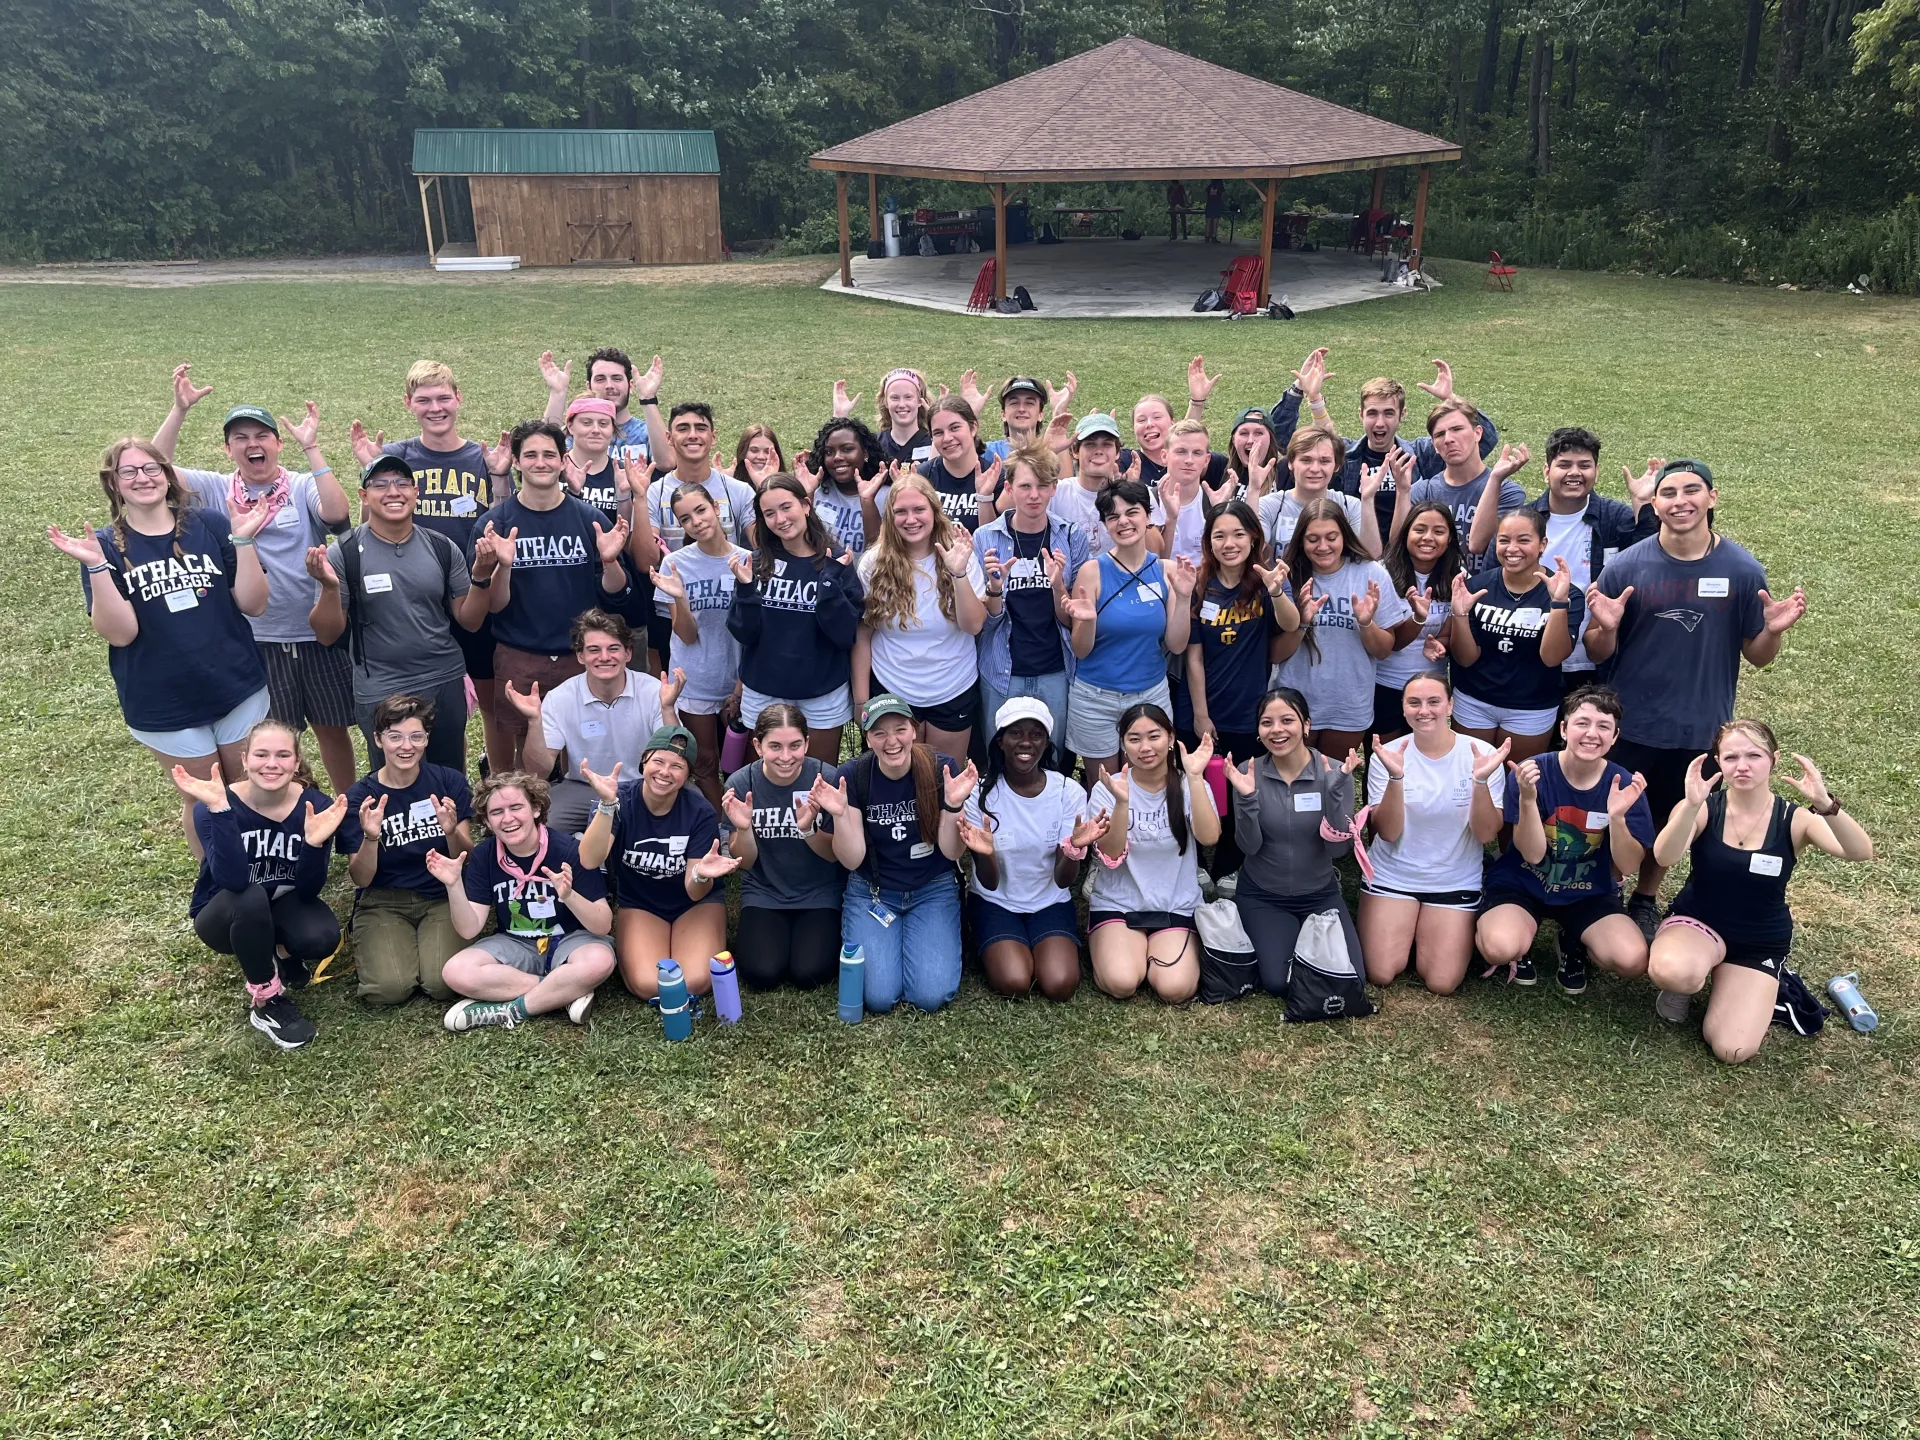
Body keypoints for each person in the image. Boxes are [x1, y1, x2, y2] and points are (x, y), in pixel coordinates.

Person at [1585, 459, 1808, 942]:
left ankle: (1646, 898)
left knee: (1672, 820)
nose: (1679, 501)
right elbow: (1598, 650)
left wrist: (1771, 632)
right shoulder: (1628, 564)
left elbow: (1759, 656)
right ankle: (1603, 893)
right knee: (1618, 813)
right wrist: (1603, 627)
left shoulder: (1742, 570)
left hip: (1699, 726)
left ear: (1712, 498)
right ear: (1655, 504)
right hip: (1632, 723)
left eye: (1692, 491)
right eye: (1668, 493)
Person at [50, 437, 271, 844]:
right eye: (128, 471)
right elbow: (121, 633)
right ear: (114, 484)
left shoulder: (211, 524)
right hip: (163, 703)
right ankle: (221, 890)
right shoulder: (101, 547)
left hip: (237, 685)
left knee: (249, 789)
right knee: (204, 800)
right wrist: (98, 567)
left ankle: (266, 876)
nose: (142, 478)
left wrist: (244, 541)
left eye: (151, 468)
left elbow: (254, 604)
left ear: (168, 477)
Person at [150, 369, 358, 794]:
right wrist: (179, 410)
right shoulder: (214, 489)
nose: (252, 444)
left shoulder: (301, 485)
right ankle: (290, 808)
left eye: (261, 435)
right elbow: (156, 467)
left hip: (316, 631)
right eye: (240, 438)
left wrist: (313, 448)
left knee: (332, 728)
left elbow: (337, 514)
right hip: (254, 637)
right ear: (229, 449)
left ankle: (347, 806)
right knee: (273, 739)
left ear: (277, 444)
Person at [1648, 724, 1873, 1060]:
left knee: (1732, 1048)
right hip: (1697, 923)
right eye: (1732, 757)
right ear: (1719, 763)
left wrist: (1825, 804)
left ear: (1773, 760)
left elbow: (1859, 852)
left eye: (1754, 755)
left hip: (1758, 940)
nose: (1742, 765)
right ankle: (1687, 985)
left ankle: (1738, 985)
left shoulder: (1795, 819)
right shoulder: (1705, 806)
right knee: (1675, 972)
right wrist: (1690, 806)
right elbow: (1664, 856)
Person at [349, 359, 512, 772]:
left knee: (489, 700)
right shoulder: (397, 458)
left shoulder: (481, 457)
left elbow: (500, 520)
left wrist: (500, 478)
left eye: (443, 397)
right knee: (417, 702)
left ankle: (493, 778)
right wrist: (368, 469)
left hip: (471, 589)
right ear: (409, 404)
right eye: (424, 400)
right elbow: (370, 528)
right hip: (414, 594)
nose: (435, 408)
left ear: (459, 399)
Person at [467, 419, 634, 771]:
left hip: (580, 657)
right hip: (520, 655)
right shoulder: (493, 525)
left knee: (586, 752)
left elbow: (616, 595)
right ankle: (529, 821)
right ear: (516, 462)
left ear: (563, 461)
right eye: (530, 455)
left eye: (549, 454)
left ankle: (579, 821)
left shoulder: (590, 518)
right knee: (528, 759)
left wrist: (610, 560)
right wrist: (505, 567)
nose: (540, 462)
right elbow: (494, 606)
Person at [307, 454, 490, 770]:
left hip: (443, 678)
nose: (393, 491)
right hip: (381, 684)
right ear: (364, 495)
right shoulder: (345, 553)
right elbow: (326, 634)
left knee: (448, 773)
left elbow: (470, 620)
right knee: (393, 779)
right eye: (380, 484)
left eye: (402, 483)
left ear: (415, 492)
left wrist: (483, 576)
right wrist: (330, 587)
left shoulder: (441, 547)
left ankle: (452, 820)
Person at [175, 719, 349, 1050]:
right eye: (261, 754)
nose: (272, 764)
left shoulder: (316, 805)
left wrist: (313, 845)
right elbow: (233, 881)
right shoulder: (214, 803)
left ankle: (279, 952)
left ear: (297, 762)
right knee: (250, 897)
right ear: (244, 760)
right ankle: (266, 1002)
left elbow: (309, 890)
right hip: (225, 912)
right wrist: (221, 812)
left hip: (282, 902)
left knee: (321, 937)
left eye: (283, 755)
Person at [1474, 685, 1655, 993]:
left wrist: (1618, 818)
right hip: (1523, 883)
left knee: (1632, 960)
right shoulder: (1533, 771)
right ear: (1564, 728)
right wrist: (1529, 801)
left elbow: (1628, 864)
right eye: (1582, 723)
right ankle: (1522, 940)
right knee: (1499, 947)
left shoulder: (1623, 783)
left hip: (1587, 891)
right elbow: (1531, 854)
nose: (1591, 734)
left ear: (1614, 737)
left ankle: (1572, 938)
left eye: (1603, 726)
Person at [818, 695, 974, 1014]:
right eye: (879, 733)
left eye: (900, 729)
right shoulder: (853, 776)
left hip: (932, 888)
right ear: (867, 739)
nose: (892, 741)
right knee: (877, 996)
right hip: (872, 892)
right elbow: (851, 859)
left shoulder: (940, 769)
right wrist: (841, 814)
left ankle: (920, 936)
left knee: (930, 995)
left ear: (913, 731)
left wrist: (953, 806)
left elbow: (951, 851)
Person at [433, 771, 616, 1032]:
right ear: (487, 820)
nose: (508, 819)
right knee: (456, 971)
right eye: (496, 812)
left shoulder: (569, 850)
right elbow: (469, 929)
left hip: (572, 939)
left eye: (516, 807)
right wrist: (453, 885)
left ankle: (510, 1010)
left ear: (537, 809)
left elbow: (603, 925)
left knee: (599, 961)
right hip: (517, 942)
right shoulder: (485, 855)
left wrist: (569, 896)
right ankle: (563, 991)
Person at [1358, 676, 1508, 995]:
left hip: (1453, 880)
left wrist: (1480, 782)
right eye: (1414, 703)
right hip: (1393, 875)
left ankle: (1424, 930)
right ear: (1403, 709)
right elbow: (1388, 832)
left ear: (1450, 706)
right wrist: (1396, 777)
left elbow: (1485, 835)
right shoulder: (1388, 755)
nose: (1424, 710)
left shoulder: (1482, 754)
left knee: (1441, 982)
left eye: (1434, 702)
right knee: (1381, 972)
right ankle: (1407, 927)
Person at [1178, 499, 1299, 880]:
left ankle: (1230, 866)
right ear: (1208, 541)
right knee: (1195, 787)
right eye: (1219, 535)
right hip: (1200, 708)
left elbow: (1291, 624)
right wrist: (1200, 714)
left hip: (1249, 712)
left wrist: (1276, 591)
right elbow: (1192, 658)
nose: (1229, 543)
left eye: (1238, 534)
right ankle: (1192, 862)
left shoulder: (1267, 581)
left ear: (1253, 538)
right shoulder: (1200, 585)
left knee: (1239, 791)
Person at [1221, 687, 1364, 998]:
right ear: (1258, 730)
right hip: (1263, 896)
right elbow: (1249, 846)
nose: (1277, 730)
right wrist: (1246, 799)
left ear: (1307, 725)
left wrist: (1335, 792)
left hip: (1319, 894)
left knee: (1352, 975)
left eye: (1287, 720)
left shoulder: (1336, 770)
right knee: (1278, 981)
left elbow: (1337, 850)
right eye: (1267, 722)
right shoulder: (1248, 771)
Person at [578, 726, 738, 1000]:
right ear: (644, 763)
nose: (665, 772)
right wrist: (606, 805)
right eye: (658, 761)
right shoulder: (618, 799)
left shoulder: (700, 811)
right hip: (641, 902)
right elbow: (590, 860)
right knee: (648, 984)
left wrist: (701, 874)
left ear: (687, 775)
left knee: (695, 980)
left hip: (695, 903)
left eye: (677, 766)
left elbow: (694, 890)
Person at [961, 699, 1100, 1001]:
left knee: (1059, 983)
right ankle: (1007, 943)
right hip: (995, 902)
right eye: (1016, 733)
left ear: (1047, 742)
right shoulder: (980, 793)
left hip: (1049, 902)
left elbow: (1064, 880)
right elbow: (990, 882)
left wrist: (1074, 850)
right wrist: (984, 853)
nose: (1026, 742)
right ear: (1000, 741)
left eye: (1036, 735)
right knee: (1015, 981)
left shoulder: (1068, 792)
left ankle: (1037, 943)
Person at [341, 694, 472, 1008]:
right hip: (384, 899)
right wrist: (371, 838)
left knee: (443, 983)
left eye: (416, 736)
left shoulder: (448, 781)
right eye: (394, 736)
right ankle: (382, 943)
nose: (406, 746)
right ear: (377, 739)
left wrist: (451, 831)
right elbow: (361, 878)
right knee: (389, 989)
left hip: (441, 895)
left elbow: (466, 860)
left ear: (427, 739)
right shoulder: (361, 797)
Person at [1065, 478, 1198, 788]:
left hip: (1149, 694)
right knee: (1106, 789)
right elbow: (1081, 651)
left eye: (1132, 512)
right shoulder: (1092, 571)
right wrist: (1085, 622)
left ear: (1148, 516)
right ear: (1105, 525)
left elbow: (1177, 645)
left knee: (1149, 784)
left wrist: (1184, 598)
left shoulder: (1166, 571)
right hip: (1096, 697)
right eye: (1113, 517)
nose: (1123, 522)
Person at [1280, 352, 1502, 537]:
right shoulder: (1347, 456)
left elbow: (1486, 439)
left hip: (1410, 556)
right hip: (1357, 554)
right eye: (1372, 413)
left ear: (1402, 415)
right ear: (1361, 415)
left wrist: (1451, 399)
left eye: (1388, 413)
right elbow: (1283, 440)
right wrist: (1303, 391)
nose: (1380, 422)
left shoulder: (1422, 453)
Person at [727, 476, 867, 763]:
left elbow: (845, 635)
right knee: (769, 776)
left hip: (822, 692)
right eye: (769, 513)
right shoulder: (756, 563)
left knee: (819, 775)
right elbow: (745, 634)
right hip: (764, 690)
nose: (780, 519)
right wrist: (745, 590)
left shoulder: (837, 561)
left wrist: (828, 585)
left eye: (786, 507)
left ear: (805, 505)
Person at [1086, 705, 1219, 1002]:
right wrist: (1122, 803)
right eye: (1134, 739)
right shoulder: (1107, 789)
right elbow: (1110, 851)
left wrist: (1196, 778)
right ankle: (1118, 948)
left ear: (1170, 738)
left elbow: (1209, 838)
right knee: (1121, 982)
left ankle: (1147, 952)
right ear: (1123, 744)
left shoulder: (1188, 784)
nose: (1145, 747)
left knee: (1175, 989)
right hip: (1118, 905)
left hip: (1175, 905)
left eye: (1154, 736)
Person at [511, 610, 681, 835]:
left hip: (645, 786)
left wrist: (668, 708)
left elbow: (677, 756)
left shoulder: (655, 692)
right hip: (584, 788)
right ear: (580, 656)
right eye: (593, 650)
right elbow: (538, 771)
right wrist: (534, 721)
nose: (604, 657)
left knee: (690, 809)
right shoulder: (560, 697)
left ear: (628, 653)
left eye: (613, 648)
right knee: (541, 826)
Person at [854, 473, 989, 758]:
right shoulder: (872, 564)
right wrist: (861, 701)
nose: (910, 519)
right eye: (900, 512)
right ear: (890, 517)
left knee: (945, 778)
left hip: (953, 686)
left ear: (934, 511)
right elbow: (863, 634)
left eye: (919, 510)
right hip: (893, 687)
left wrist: (958, 573)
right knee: (900, 780)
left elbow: (974, 625)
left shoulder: (960, 554)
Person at [973, 445, 1090, 764]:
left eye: (1042, 485)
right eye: (1025, 486)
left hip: (1054, 669)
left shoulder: (1071, 536)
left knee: (1052, 761)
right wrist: (994, 590)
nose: (1034, 495)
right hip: (1001, 670)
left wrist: (1058, 587)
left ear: (1054, 487)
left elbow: (1074, 619)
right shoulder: (986, 538)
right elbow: (984, 620)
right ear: (1009, 488)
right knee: (1000, 762)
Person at [1272, 499, 1414, 761]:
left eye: (1331, 537)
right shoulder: (1289, 578)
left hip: (1348, 703)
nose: (1323, 546)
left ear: (1345, 536)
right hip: (1295, 702)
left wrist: (1365, 623)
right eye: (1312, 538)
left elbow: (1384, 650)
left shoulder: (1371, 574)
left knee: (1335, 780)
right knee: (1293, 785)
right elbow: (1275, 654)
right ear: (1301, 541)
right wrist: (1302, 623)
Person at [1520, 427, 1658, 692]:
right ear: (1546, 471)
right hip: (1533, 657)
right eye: (1564, 465)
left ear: (1596, 471)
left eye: (1585, 465)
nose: (1575, 473)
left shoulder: (1615, 518)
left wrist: (1642, 503)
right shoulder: (1524, 520)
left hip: (1597, 662)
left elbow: (1646, 563)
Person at [721, 704, 846, 991]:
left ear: (808, 743)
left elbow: (835, 855)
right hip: (765, 892)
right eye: (775, 746)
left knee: (810, 972)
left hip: (818, 891)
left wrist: (809, 830)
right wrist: (744, 828)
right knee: (761, 972)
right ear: (757, 745)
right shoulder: (741, 783)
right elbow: (746, 862)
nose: (786, 757)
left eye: (795, 745)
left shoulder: (825, 779)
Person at [1442, 508, 1580, 762]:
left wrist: (1559, 603)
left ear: (1542, 544)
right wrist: (1459, 615)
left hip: (1531, 706)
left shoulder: (1567, 593)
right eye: (1504, 540)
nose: (1512, 548)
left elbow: (1552, 658)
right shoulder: (1476, 588)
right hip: (1474, 699)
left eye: (1523, 540)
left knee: (1517, 779)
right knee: (1473, 777)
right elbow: (1465, 659)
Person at [649, 483, 750, 810]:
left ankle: (745, 818)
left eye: (701, 510)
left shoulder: (749, 560)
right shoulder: (676, 564)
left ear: (717, 508)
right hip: (696, 679)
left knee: (741, 759)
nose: (696, 521)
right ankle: (720, 824)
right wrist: (679, 595)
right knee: (705, 760)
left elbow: (755, 634)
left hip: (741, 679)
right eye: (686, 518)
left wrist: (738, 689)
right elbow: (687, 635)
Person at [1373, 501, 1464, 741]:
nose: (1428, 538)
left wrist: (1441, 642)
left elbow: (1453, 628)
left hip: (1431, 686)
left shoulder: (1459, 577)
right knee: (1385, 758)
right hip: (1384, 683)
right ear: (1406, 535)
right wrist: (1418, 619)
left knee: (1426, 755)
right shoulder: (1381, 573)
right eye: (1420, 529)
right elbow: (1390, 641)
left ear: (1450, 539)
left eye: (1439, 531)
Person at [1406, 399, 1528, 551]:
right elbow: (1398, 547)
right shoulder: (1422, 491)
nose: (1448, 439)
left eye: (1457, 429)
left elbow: (1479, 545)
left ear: (1478, 433)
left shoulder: (1508, 493)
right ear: (1434, 445)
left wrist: (1495, 480)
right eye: (1440, 434)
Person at [1258, 424, 1387, 558]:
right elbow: (1250, 548)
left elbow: (1372, 554)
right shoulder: (1270, 506)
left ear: (1336, 465)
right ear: (1291, 463)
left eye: (1324, 461)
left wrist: (1368, 500)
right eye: (1306, 460)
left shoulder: (1349, 506)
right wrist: (1254, 490)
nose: (1315, 469)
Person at [647, 402, 757, 552]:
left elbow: (763, 548)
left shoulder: (740, 491)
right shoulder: (654, 493)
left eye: (700, 428)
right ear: (669, 438)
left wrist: (765, 485)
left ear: (713, 437)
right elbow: (645, 562)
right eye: (683, 429)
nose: (692, 435)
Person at [540, 346, 670, 465]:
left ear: (631, 386)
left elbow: (667, 463)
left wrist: (648, 399)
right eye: (600, 379)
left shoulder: (647, 433)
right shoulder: (576, 431)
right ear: (588, 387)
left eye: (617, 378)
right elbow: (544, 451)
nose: (609, 386)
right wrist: (558, 393)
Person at [796, 416, 888, 556]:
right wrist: (807, 494)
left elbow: (877, 553)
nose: (837, 457)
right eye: (829, 452)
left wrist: (867, 501)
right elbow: (801, 544)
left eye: (847, 449)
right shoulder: (818, 491)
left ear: (865, 453)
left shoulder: (888, 496)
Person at [913, 396, 1003, 533]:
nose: (947, 438)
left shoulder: (996, 477)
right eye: (938, 433)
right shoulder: (922, 476)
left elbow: (998, 539)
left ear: (973, 428)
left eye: (954, 428)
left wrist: (984, 497)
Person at [1049, 413, 1127, 555]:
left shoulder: (1133, 495)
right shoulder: (1056, 492)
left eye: (1107, 444)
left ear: (1117, 453)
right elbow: (1006, 507)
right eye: (1090, 444)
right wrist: (1046, 452)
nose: (1098, 451)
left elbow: (1157, 552)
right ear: (1075, 451)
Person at [871, 367, 934, 466]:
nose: (901, 404)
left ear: (919, 401)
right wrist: (841, 415)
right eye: (895, 398)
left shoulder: (934, 443)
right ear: (886, 402)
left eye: (908, 397)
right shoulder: (873, 445)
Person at [732, 423, 786, 488]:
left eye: (767, 451)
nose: (761, 457)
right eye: (754, 450)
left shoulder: (787, 489)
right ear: (743, 452)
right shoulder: (730, 486)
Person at [1203, 178, 1226, 243]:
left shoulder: (1209, 187)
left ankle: (1207, 237)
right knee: (1215, 222)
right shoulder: (1220, 188)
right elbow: (1222, 197)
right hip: (1216, 205)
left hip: (1209, 204)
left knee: (1208, 222)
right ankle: (1213, 237)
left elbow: (1207, 196)